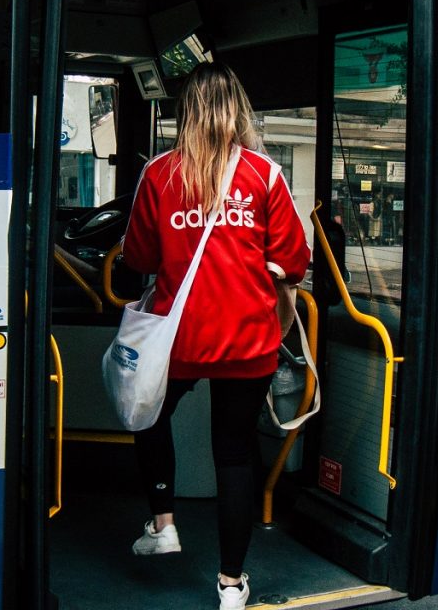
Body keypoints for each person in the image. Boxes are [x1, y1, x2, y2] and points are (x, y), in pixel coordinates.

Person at [120, 62, 310, 610]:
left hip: (177, 339)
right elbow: (293, 262)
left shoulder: (159, 174)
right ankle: (231, 586)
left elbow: (139, 256)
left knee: (146, 414)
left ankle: (164, 522)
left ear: (186, 111)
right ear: (237, 110)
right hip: (247, 339)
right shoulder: (265, 175)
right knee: (233, 456)